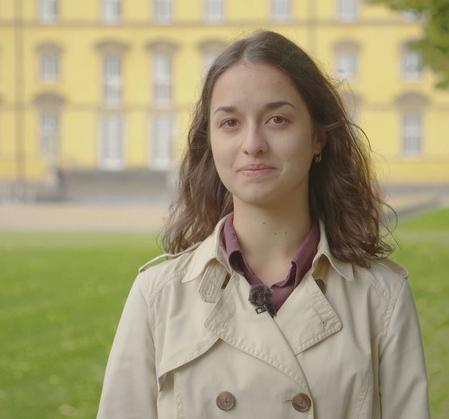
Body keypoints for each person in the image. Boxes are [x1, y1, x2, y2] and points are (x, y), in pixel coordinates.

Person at [97, 30, 430, 418]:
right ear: (211, 142)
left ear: (317, 137)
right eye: (230, 123)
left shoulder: (382, 298)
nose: (252, 143)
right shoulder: (158, 296)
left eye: (277, 119)